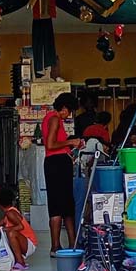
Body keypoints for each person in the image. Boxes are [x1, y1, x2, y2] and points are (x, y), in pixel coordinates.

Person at [43, 92, 84, 256]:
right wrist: (71, 141)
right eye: (70, 111)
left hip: (59, 163)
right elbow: (51, 144)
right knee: (58, 206)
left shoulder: (53, 119)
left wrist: (70, 148)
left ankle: (73, 243)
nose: (69, 115)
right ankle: (55, 246)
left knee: (67, 205)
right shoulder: (54, 119)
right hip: (56, 164)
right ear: (65, 108)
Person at [0, 187, 38, 271]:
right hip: (23, 242)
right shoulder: (8, 214)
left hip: (29, 244)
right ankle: (14, 256)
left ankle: (20, 262)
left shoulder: (11, 213)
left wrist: (5, 229)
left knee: (11, 233)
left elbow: (20, 227)